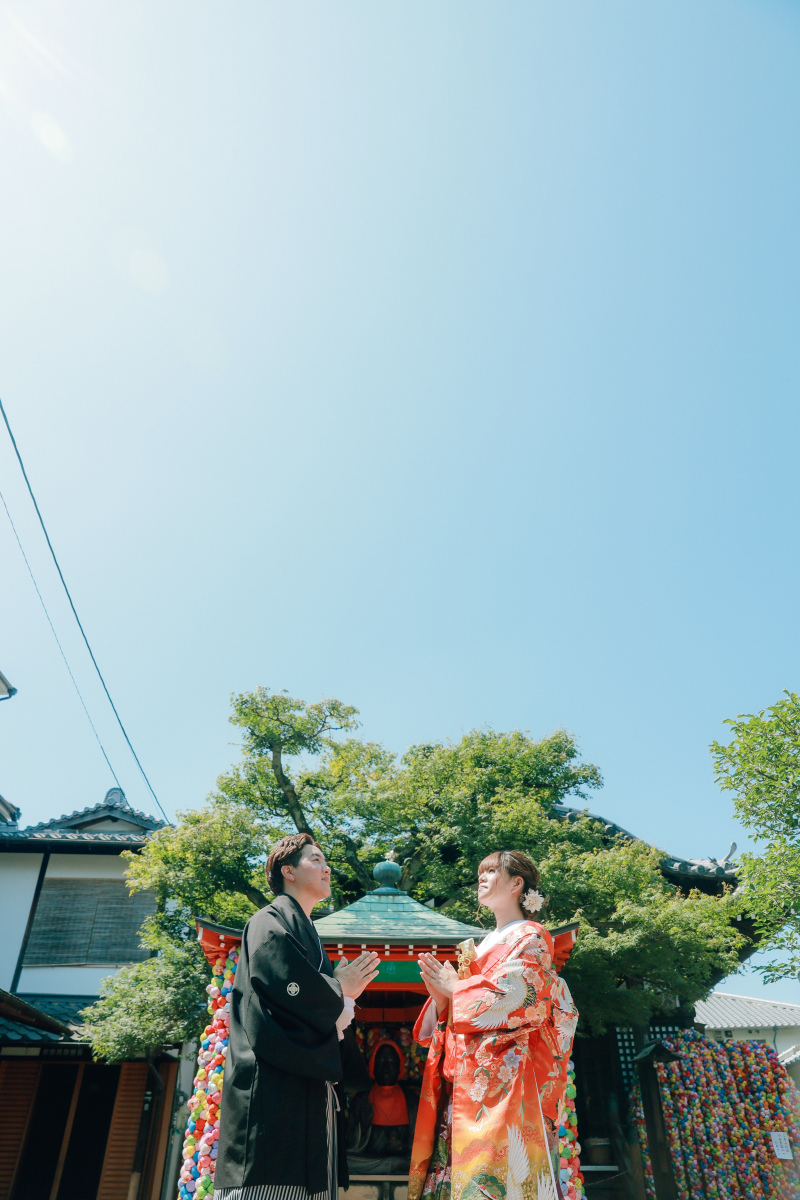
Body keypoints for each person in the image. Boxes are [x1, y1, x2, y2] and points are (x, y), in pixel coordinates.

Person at [215, 833, 380, 1200]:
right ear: (288, 871)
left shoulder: (306, 929)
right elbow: (288, 998)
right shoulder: (268, 922)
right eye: (316, 859)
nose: (327, 868)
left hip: (305, 1088)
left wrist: (337, 991)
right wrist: (339, 989)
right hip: (272, 1091)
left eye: (326, 861)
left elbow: (313, 1003)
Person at [408, 850, 578, 1200]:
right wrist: (442, 1000)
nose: (481, 878)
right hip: (469, 1075)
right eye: (479, 872)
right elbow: (463, 1008)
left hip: (507, 1080)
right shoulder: (483, 943)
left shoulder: (531, 936)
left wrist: (455, 989)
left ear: (517, 884)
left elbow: (524, 997)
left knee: (499, 1173)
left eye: (490, 871)